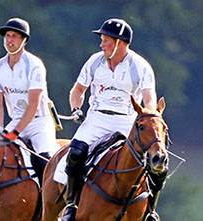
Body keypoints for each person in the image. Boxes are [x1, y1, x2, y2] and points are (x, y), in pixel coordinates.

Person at [61, 18, 167, 221]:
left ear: (120, 42)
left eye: (105, 40)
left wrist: (150, 113)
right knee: (75, 152)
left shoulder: (140, 66)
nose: (101, 44)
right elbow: (78, 90)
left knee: (157, 160)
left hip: (128, 120)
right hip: (97, 118)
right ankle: (71, 205)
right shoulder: (95, 61)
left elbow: (149, 96)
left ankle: (150, 211)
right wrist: (76, 109)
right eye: (102, 40)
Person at [0, 17, 58, 182]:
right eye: (7, 36)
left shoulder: (34, 65)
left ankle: (49, 202)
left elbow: (33, 104)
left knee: (45, 160)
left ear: (24, 40)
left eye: (14, 36)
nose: (9, 40)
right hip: (16, 120)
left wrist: (15, 133)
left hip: (39, 123)